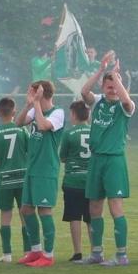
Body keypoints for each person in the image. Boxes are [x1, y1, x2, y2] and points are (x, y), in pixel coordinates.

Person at [80, 52, 135, 266]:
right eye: (108, 85)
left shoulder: (125, 106)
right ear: (103, 87)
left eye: (115, 86)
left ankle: (121, 255)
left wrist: (116, 77)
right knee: (94, 207)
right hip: (97, 160)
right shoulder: (97, 102)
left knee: (115, 208)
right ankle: (96, 252)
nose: (112, 88)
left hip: (114, 160)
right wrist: (102, 71)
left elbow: (127, 100)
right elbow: (84, 91)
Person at [16, 80, 64, 268]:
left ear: (42, 93)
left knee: (44, 210)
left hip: (46, 169)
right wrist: (29, 103)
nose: (31, 94)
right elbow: (18, 122)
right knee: (26, 209)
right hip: (32, 168)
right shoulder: (33, 109)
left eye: (34, 92)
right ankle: (35, 251)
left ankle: (49, 255)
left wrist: (36, 103)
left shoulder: (58, 113)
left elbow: (43, 126)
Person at [0, 97, 29, 263]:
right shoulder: (23, 130)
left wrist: (2, 163)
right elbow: (29, 151)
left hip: (5, 178)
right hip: (23, 177)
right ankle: (27, 252)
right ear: (14, 112)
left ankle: (7, 254)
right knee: (25, 215)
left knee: (6, 216)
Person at [59, 100, 92, 263]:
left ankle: (78, 251)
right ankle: (96, 250)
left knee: (74, 217)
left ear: (73, 114)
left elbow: (63, 156)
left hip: (73, 181)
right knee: (92, 217)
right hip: (91, 181)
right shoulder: (95, 132)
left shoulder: (69, 133)